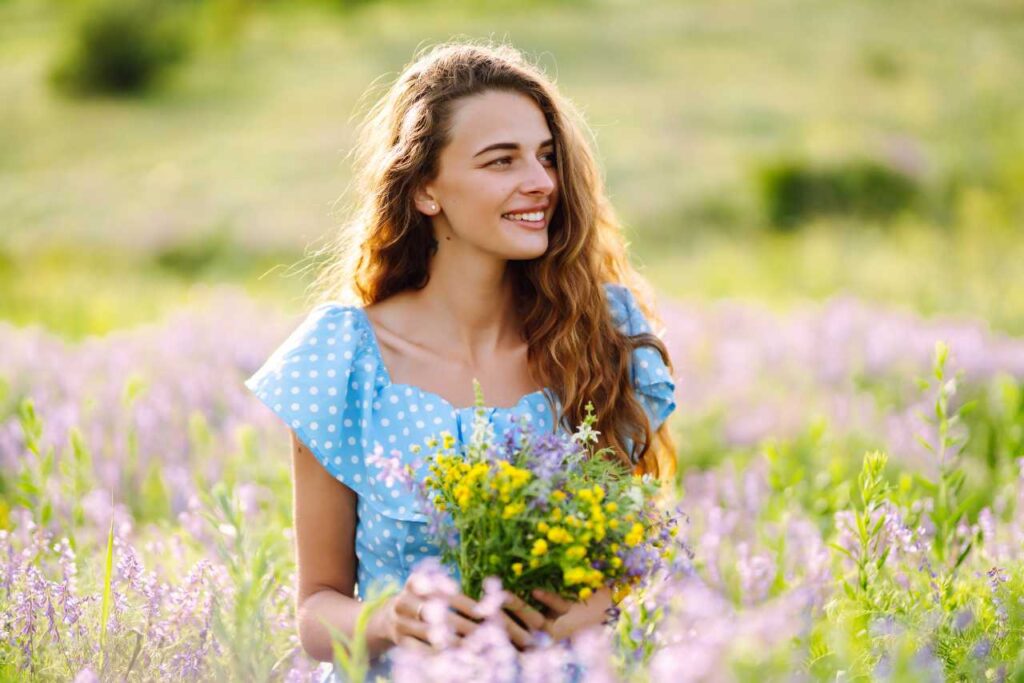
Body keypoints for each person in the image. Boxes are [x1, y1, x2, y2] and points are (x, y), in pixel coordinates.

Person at [244, 40, 678, 680]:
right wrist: (393, 620)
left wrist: (590, 609)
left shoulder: (600, 336)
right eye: (501, 160)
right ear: (426, 190)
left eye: (546, 156)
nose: (542, 182)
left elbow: (632, 559)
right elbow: (315, 612)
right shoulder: (345, 357)